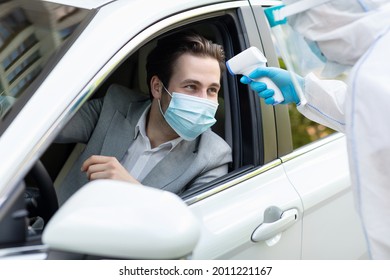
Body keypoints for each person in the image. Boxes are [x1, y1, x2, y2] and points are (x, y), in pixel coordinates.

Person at [240, 0, 390, 259]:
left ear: (325, 14)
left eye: (304, 25)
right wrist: (303, 89)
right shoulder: (378, 64)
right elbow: (362, 114)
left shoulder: (373, 78)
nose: (308, 40)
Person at [55, 31, 232, 205]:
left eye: (212, 90)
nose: (203, 100)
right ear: (157, 87)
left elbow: (193, 226)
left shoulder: (213, 157)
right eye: (191, 86)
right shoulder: (115, 104)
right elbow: (48, 125)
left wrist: (134, 192)